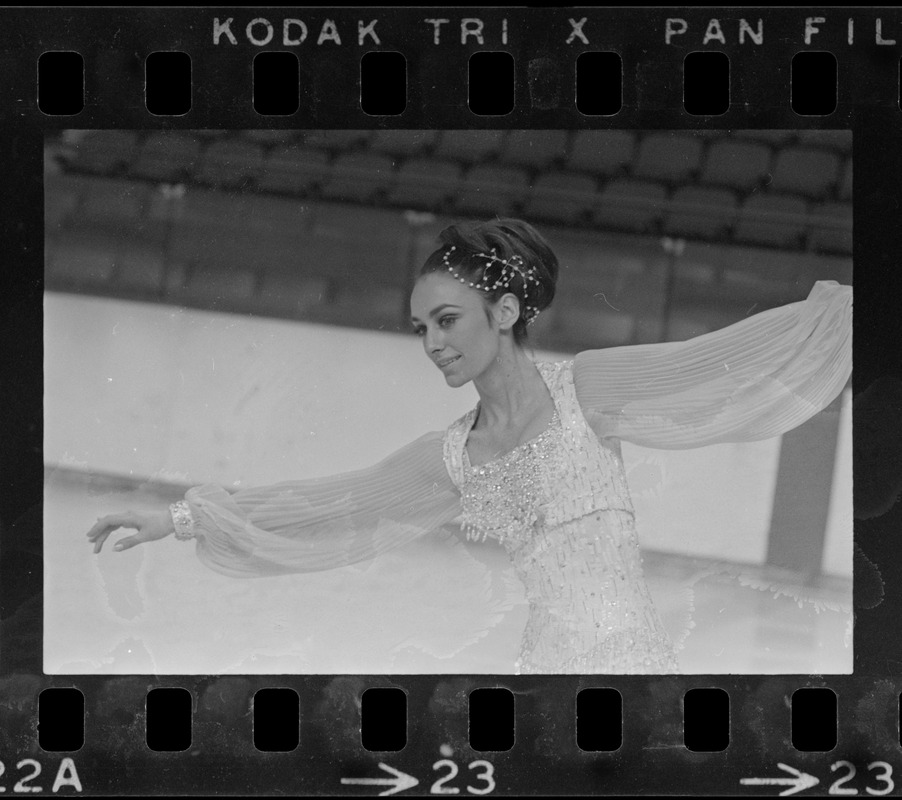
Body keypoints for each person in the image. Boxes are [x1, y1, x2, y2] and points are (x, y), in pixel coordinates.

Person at [86, 218, 852, 674]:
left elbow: (732, 360)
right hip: (544, 673)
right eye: (420, 327)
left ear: (506, 309)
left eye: (447, 320)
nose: (431, 342)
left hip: (636, 670)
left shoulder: (589, 390)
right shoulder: (449, 459)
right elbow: (327, 506)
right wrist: (180, 519)